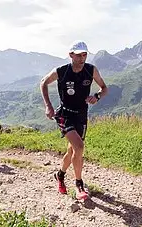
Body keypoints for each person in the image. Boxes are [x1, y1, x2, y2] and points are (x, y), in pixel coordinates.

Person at [40, 41, 108, 200]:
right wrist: (48, 106)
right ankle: (79, 185)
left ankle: (60, 175)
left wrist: (96, 96)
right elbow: (43, 82)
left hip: (81, 115)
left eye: (84, 54)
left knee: (72, 151)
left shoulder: (91, 70)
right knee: (79, 147)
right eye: (78, 55)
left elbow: (104, 88)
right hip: (65, 114)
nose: (82, 58)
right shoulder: (61, 71)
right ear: (71, 55)